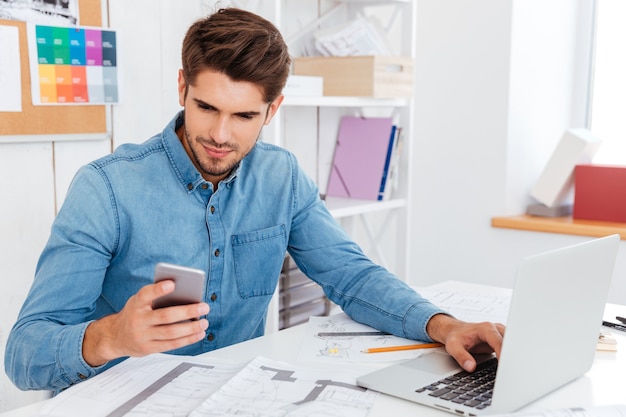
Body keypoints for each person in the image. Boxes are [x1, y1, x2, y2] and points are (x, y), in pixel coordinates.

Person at [5, 7, 504, 392]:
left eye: (244, 116)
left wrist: (443, 325)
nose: (219, 135)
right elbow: (22, 354)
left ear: (273, 108)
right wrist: (110, 336)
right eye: (206, 107)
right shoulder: (106, 188)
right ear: (182, 87)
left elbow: (351, 275)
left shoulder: (280, 176)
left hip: (234, 396)